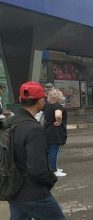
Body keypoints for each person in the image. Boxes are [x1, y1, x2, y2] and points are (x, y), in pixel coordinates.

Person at [8, 81, 64, 219]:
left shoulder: (10, 123)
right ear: (41, 101)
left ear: (20, 100)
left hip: (13, 187)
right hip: (33, 193)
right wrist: (51, 179)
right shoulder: (33, 129)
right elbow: (38, 169)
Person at [44, 89, 68, 177]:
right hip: (56, 133)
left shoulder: (46, 106)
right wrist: (59, 121)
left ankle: (51, 168)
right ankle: (53, 170)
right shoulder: (58, 106)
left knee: (49, 152)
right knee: (54, 152)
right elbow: (58, 115)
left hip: (46, 131)